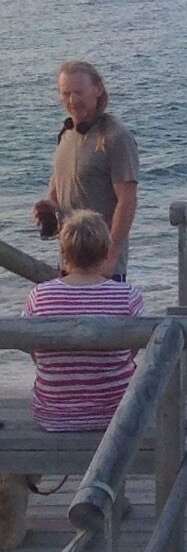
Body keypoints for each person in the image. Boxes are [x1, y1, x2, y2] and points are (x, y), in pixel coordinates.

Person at [22, 211, 146, 434]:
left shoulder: (39, 295)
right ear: (107, 252)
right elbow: (131, 352)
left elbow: (34, 351)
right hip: (116, 415)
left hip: (53, 416)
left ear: (63, 252)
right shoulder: (128, 296)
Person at [33, 60, 139, 277]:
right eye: (66, 93)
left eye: (79, 92)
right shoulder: (66, 134)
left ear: (98, 89)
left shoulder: (115, 137)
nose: (72, 100)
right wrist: (48, 206)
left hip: (103, 266)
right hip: (68, 261)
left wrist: (111, 256)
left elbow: (127, 201)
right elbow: (58, 185)